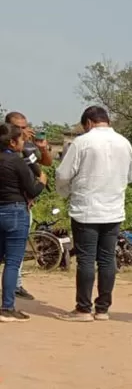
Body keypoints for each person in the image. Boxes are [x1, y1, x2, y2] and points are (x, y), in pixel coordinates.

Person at [55, 106, 132, 322]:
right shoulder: (124, 143)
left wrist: (66, 189)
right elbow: (131, 176)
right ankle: (102, 309)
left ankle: (83, 309)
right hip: (113, 210)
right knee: (107, 259)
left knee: (86, 259)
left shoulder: (82, 142)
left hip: (86, 210)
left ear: (89, 123)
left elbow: (63, 173)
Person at [0, 123, 47, 322]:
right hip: (15, 212)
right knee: (12, 262)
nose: (23, 142)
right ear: (12, 142)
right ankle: (7, 307)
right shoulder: (17, 162)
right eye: (21, 139)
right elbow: (32, 190)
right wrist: (42, 180)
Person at [5, 111, 54, 301]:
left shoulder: (29, 148)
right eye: (20, 127)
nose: (26, 131)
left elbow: (46, 163)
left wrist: (41, 148)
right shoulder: (8, 149)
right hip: (10, 204)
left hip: (24, 204)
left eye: (26, 126)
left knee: (16, 251)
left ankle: (15, 286)